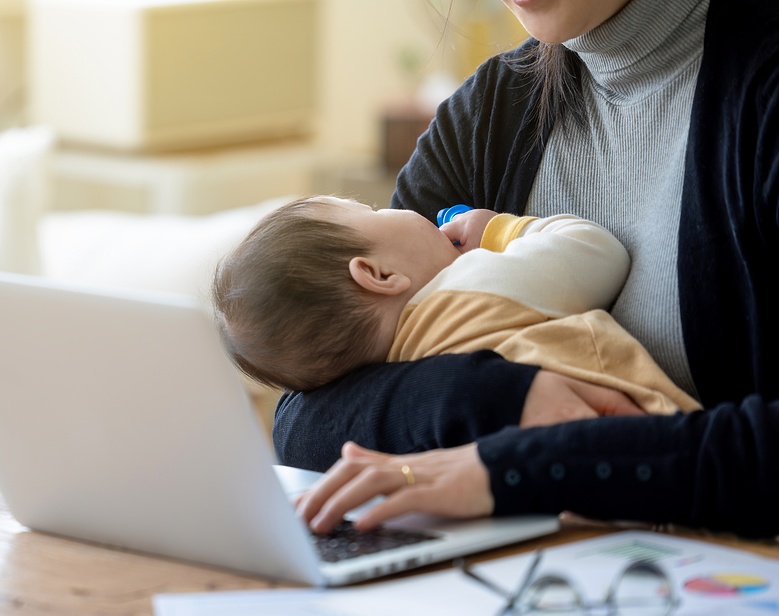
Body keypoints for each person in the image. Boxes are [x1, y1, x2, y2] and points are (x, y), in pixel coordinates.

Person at [277, 0, 779, 539]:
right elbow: (307, 418)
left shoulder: (763, 86)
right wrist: (503, 398)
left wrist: (527, 466)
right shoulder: (490, 114)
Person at [213, 194, 699, 417]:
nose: (393, 205)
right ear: (380, 276)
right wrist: (499, 232)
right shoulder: (476, 285)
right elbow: (599, 252)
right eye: (373, 210)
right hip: (655, 435)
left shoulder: (403, 364)